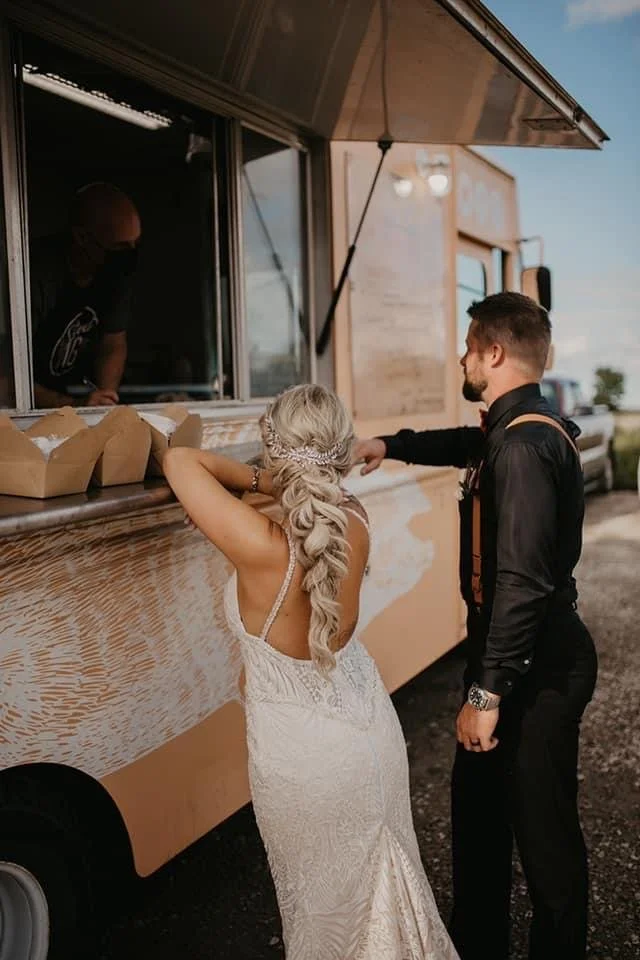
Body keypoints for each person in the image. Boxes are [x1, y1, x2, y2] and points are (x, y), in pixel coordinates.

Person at [164, 384, 459, 960]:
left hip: (303, 762)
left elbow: (179, 459)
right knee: (387, 907)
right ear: (340, 450)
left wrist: (261, 480)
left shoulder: (260, 543)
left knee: (324, 923)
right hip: (370, 737)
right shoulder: (354, 517)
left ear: (276, 452)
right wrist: (292, 475)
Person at [354, 292, 598, 960]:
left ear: (493, 352)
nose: (461, 356)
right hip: (511, 657)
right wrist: (388, 444)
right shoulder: (514, 431)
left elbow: (521, 583)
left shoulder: (522, 450)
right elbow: (465, 442)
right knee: (480, 829)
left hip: (535, 667)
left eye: (468, 345)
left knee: (546, 847)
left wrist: (486, 694)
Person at [30, 182, 141, 408]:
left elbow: (113, 343)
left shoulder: (114, 274)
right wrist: (74, 405)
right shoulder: (32, 274)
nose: (128, 254)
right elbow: (5, 381)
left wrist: (105, 398)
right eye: (120, 247)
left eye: (135, 244)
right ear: (81, 237)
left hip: (64, 395)